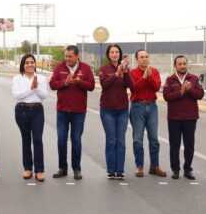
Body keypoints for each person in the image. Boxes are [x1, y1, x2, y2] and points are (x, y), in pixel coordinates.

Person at [49, 45, 95, 180]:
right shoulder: (59, 67)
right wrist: (66, 82)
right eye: (66, 56)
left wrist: (80, 82)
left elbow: (91, 86)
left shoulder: (85, 68)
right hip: (62, 111)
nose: (67, 59)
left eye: (70, 56)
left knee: (76, 140)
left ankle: (77, 169)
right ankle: (62, 168)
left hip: (79, 111)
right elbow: (52, 84)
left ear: (77, 56)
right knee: (61, 140)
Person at [163, 56, 204, 180]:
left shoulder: (194, 79)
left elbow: (200, 95)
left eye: (184, 63)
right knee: (174, 145)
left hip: (190, 117)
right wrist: (181, 92)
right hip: (174, 117)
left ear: (187, 65)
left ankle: (188, 170)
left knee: (189, 145)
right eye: (179, 64)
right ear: (175, 66)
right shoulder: (170, 80)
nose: (182, 66)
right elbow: (166, 96)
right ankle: (175, 170)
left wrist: (189, 89)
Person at [129, 49, 166, 178]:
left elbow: (156, 87)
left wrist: (149, 77)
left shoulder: (154, 72)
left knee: (154, 138)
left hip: (152, 106)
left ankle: (154, 166)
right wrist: (144, 78)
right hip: (137, 106)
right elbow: (133, 89)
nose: (145, 59)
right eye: (142, 57)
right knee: (137, 139)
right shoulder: (132, 73)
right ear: (137, 60)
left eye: (146, 56)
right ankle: (139, 166)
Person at [11, 54, 49, 182]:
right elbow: (17, 95)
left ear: (35, 64)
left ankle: (39, 170)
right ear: (23, 65)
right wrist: (30, 88)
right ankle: (28, 168)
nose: (29, 65)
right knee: (26, 139)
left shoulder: (42, 78)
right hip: (22, 110)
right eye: (27, 63)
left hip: (37, 109)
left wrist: (36, 87)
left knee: (37, 139)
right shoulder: (17, 78)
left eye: (32, 62)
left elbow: (44, 96)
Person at [98, 44, 132, 180]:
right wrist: (116, 74)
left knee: (121, 140)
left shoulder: (125, 68)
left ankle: (120, 170)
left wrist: (125, 72)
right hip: (107, 109)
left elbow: (130, 85)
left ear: (120, 54)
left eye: (117, 52)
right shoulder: (103, 69)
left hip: (122, 109)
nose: (114, 54)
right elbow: (104, 84)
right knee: (111, 140)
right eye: (112, 52)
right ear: (108, 55)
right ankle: (111, 170)